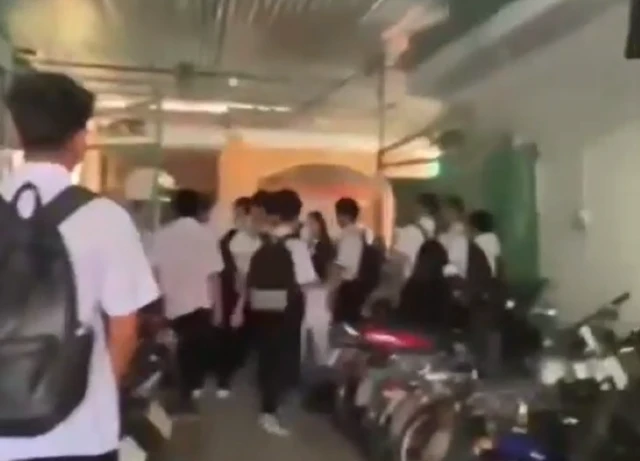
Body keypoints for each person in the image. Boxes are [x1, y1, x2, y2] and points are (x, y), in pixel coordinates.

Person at [0, 72, 159, 461]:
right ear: (80, 140)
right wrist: (103, 392)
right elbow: (125, 329)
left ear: (17, 133)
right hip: (80, 432)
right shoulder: (106, 218)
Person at [245, 188, 317, 436]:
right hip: (288, 309)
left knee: (267, 356)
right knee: (283, 358)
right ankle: (270, 412)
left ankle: (267, 407)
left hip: (263, 304)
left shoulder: (264, 240)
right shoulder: (296, 245)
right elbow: (307, 281)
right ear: (296, 215)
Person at [149, 188, 224, 411]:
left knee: (172, 351)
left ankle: (176, 394)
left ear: (174, 209)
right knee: (195, 352)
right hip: (200, 303)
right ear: (198, 209)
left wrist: (156, 304)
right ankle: (189, 394)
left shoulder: (161, 235)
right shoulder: (206, 236)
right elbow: (213, 276)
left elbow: (154, 273)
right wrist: (219, 309)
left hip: (171, 303)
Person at [215, 196, 260, 397]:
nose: (237, 217)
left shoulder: (252, 241)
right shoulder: (229, 238)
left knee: (240, 337)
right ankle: (225, 378)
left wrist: (240, 305)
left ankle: (228, 377)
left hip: (243, 294)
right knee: (229, 337)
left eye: (241, 213)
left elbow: (245, 276)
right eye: (236, 213)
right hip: (229, 293)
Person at [329, 197, 367, 324]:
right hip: (354, 286)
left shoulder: (349, 235)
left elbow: (341, 266)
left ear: (342, 215)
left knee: (342, 325)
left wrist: (330, 291)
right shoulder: (359, 233)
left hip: (347, 288)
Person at [392, 192, 440, 279]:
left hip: (406, 278)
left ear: (423, 208)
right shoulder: (433, 233)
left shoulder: (413, 231)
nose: (413, 209)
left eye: (415, 206)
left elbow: (399, 254)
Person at [438, 195, 469, 277]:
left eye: (444, 210)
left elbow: (453, 262)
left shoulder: (459, 235)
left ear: (452, 211)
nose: (441, 214)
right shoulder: (448, 234)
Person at [468, 209, 502, 277]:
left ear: (474, 227)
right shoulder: (493, 237)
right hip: (493, 275)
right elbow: (497, 258)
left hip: (482, 275)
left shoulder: (477, 241)